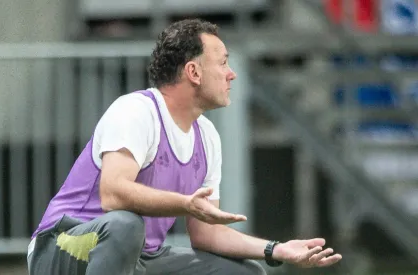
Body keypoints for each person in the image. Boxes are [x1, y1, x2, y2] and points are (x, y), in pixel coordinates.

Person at [27, 18, 343, 275]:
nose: (231, 74)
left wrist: (276, 249)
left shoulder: (207, 136)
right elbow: (113, 196)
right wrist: (185, 204)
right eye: (222, 63)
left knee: (246, 273)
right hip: (62, 247)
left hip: (140, 259)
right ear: (193, 72)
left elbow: (207, 235)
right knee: (126, 225)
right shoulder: (136, 111)